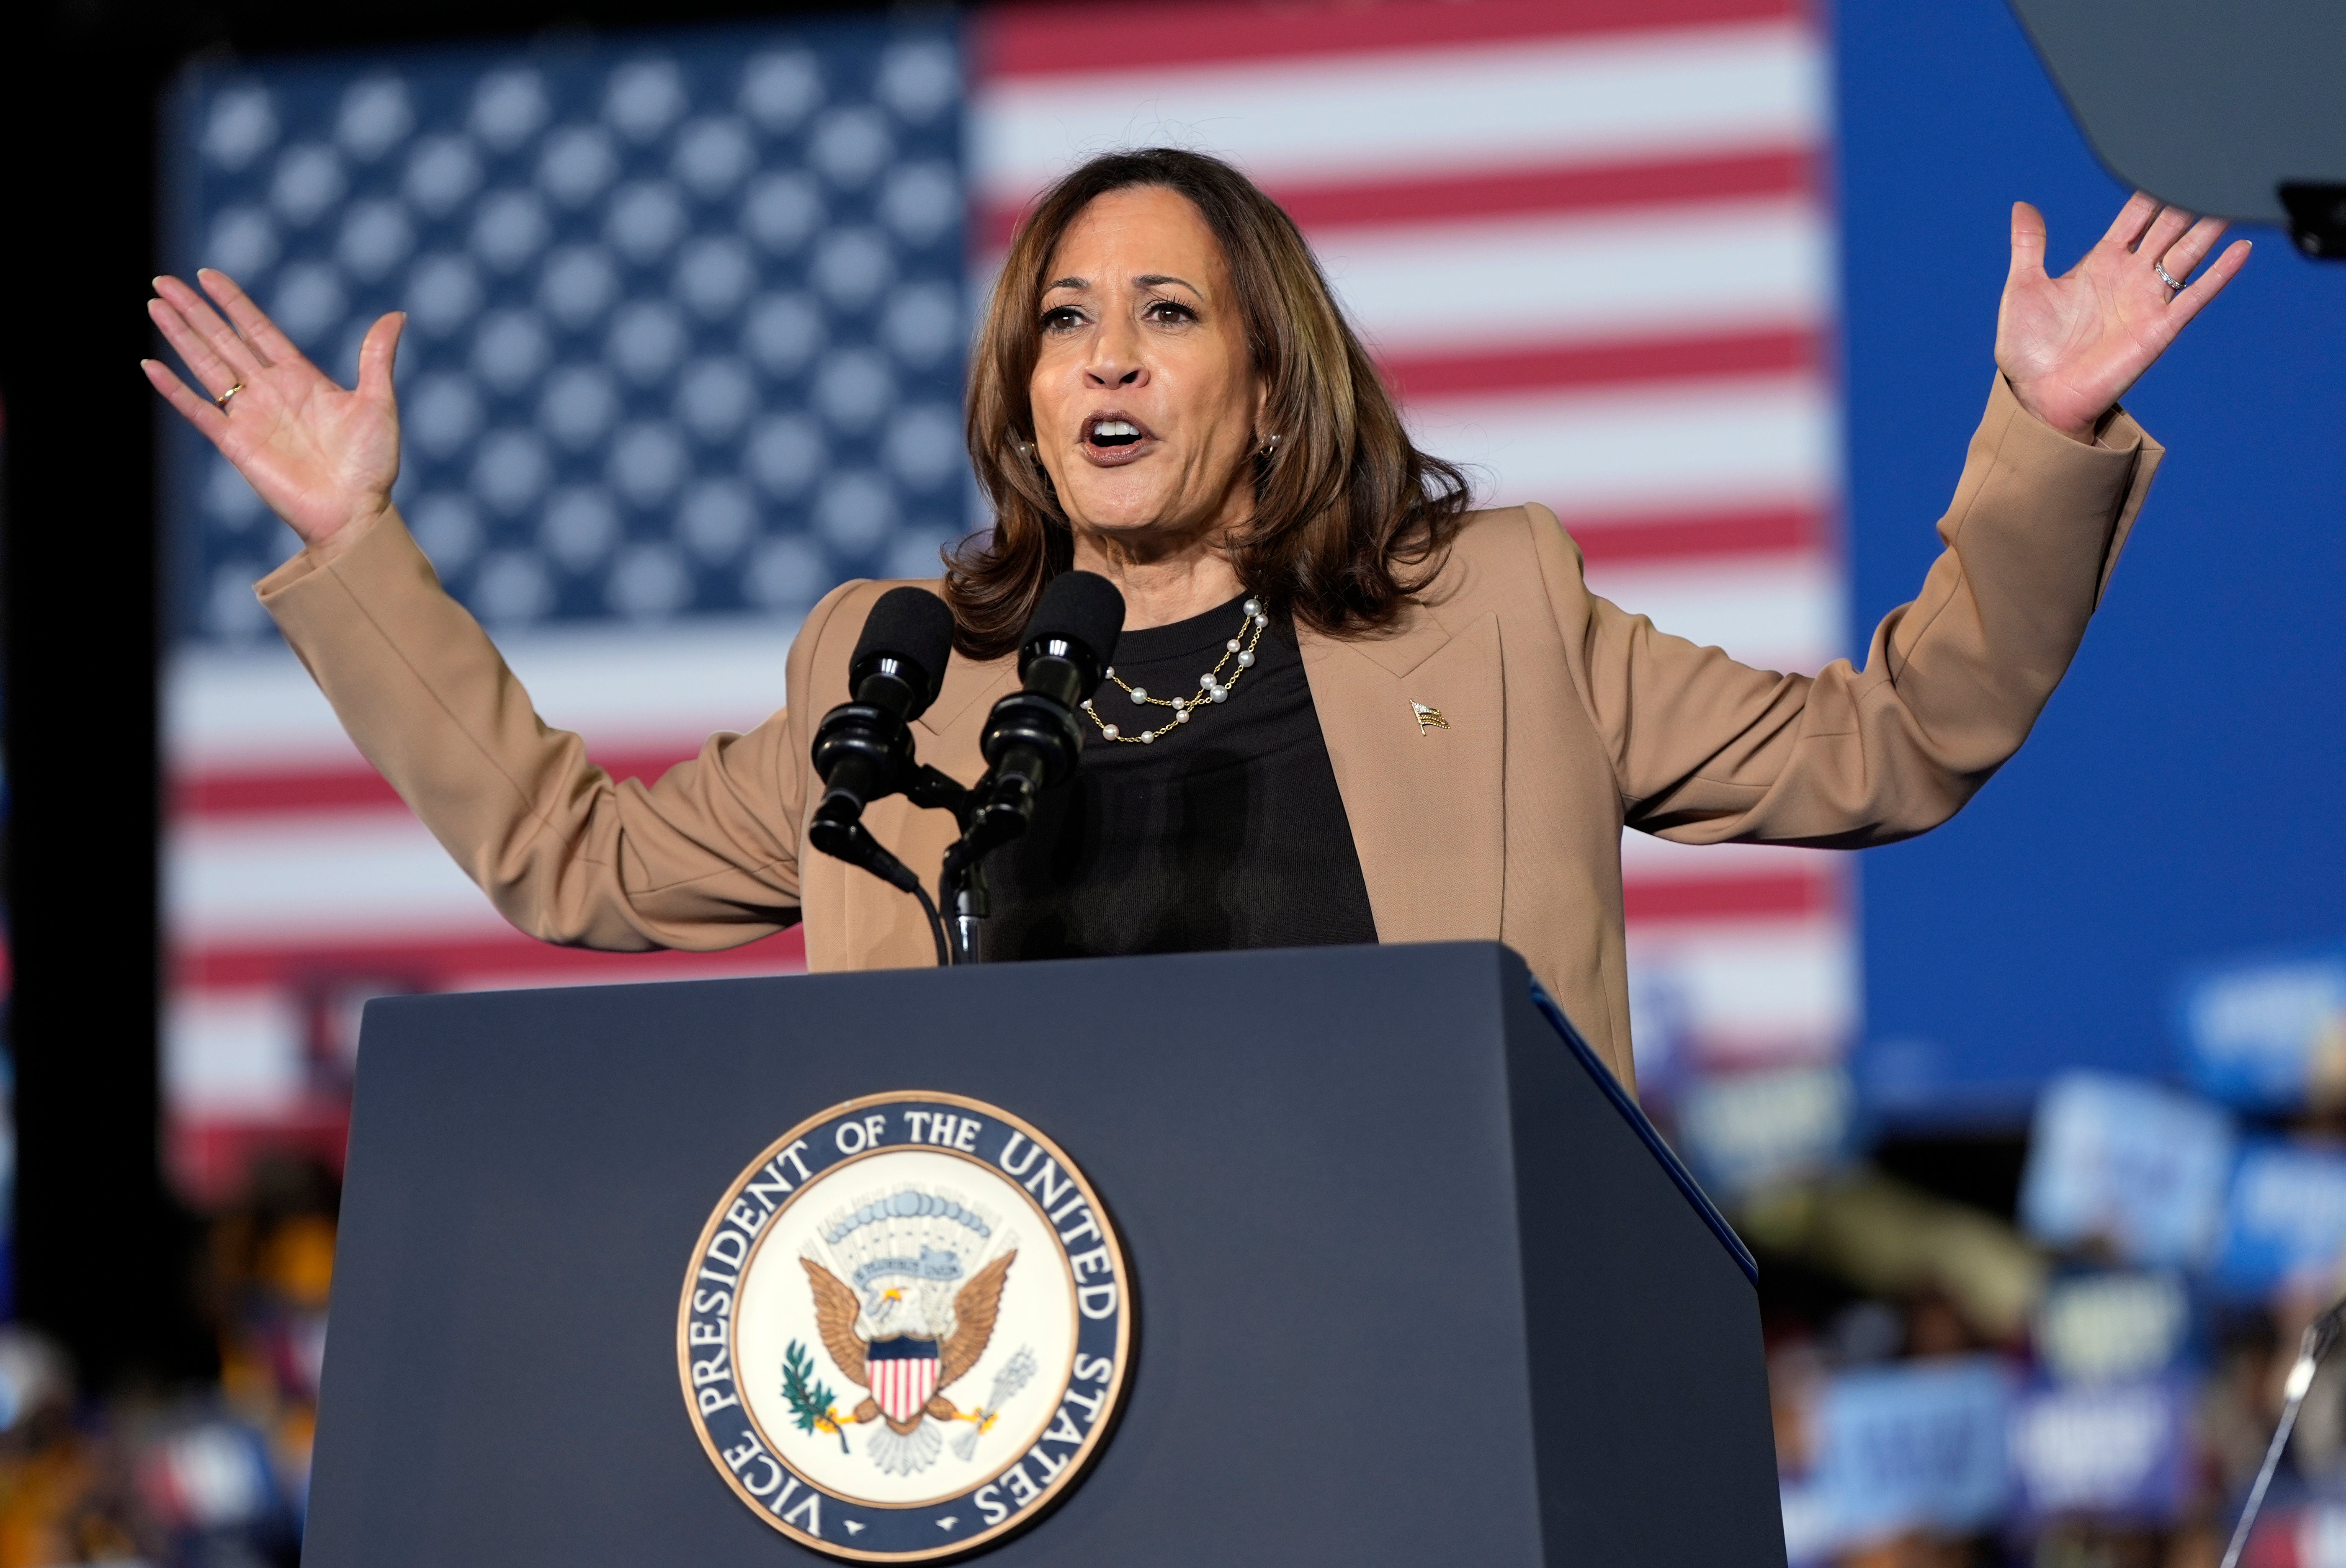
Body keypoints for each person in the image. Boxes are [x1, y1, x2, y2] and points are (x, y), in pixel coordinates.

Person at [142, 148, 2250, 1090]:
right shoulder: (904, 673)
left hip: (1426, 1370)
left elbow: (1895, 747)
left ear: (1270, 371)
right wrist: (361, 552)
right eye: (1064, 320)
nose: (1108, 360)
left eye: (1166, 313)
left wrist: (2041, 434)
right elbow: (577, 864)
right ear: (1019, 387)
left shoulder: (1494, 616)